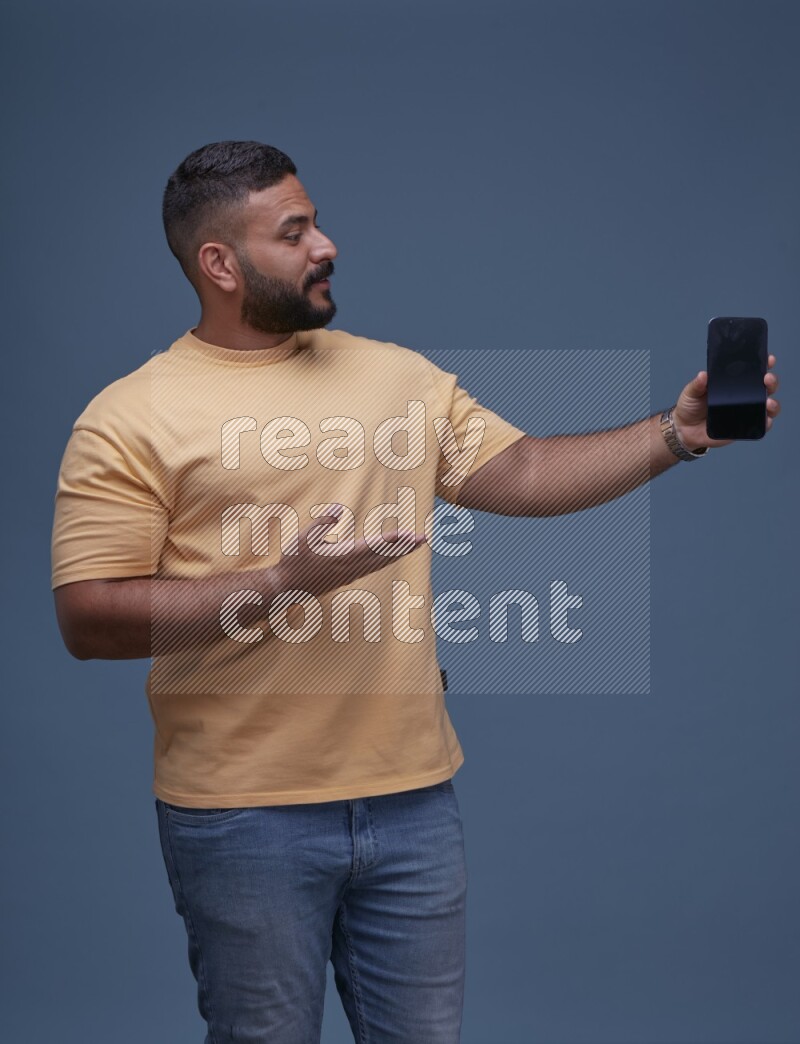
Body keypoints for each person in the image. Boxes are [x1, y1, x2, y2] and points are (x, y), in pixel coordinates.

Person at [51, 140, 780, 1044]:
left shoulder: (395, 376)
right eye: (295, 231)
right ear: (220, 264)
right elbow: (89, 618)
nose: (328, 244)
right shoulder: (130, 416)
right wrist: (282, 584)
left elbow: (524, 474)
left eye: (316, 220)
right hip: (241, 816)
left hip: (414, 806)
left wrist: (675, 433)